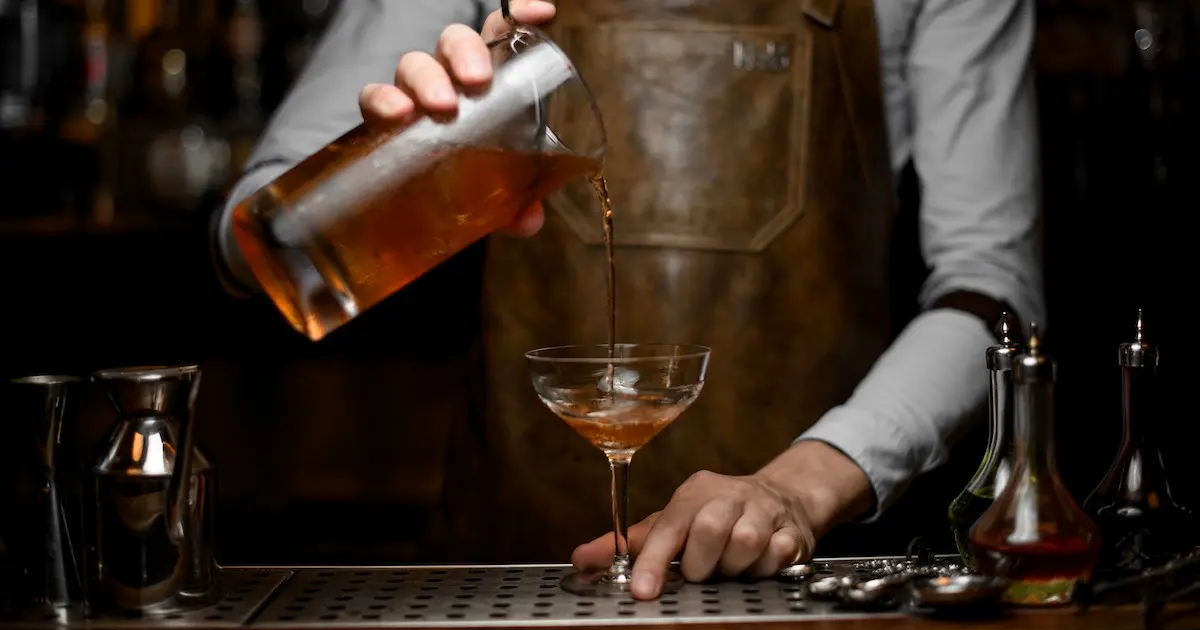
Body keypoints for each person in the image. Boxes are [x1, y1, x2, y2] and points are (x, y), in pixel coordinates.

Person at [211, 0, 1043, 599]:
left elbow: (993, 289)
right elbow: (251, 246)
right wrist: (380, 168)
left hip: (809, 591)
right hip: (510, 591)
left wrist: (800, 486)